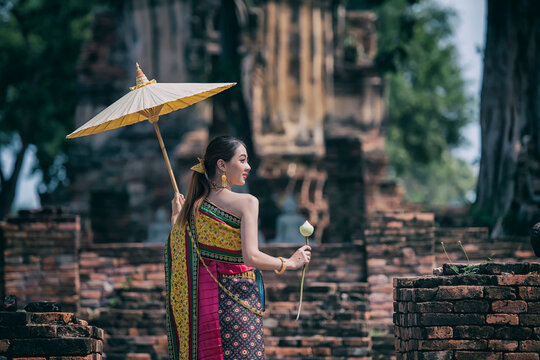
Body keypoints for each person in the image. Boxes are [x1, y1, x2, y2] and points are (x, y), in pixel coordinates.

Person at [165, 136, 312, 360]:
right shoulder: (247, 202)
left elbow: (180, 251)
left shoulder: (192, 209)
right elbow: (250, 256)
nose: (248, 167)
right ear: (222, 165)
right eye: (242, 160)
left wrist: (176, 216)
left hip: (206, 308)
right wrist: (289, 262)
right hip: (238, 303)